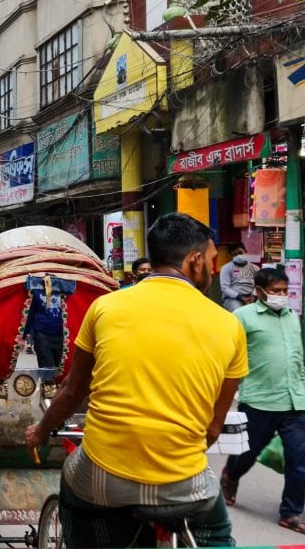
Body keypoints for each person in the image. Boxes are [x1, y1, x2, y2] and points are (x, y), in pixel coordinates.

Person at [25, 213, 247, 547]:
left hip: (103, 477)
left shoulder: (105, 308)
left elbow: (73, 392)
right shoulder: (229, 325)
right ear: (195, 261)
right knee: (217, 535)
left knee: (73, 483)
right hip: (185, 483)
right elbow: (213, 429)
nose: (214, 270)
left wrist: (41, 432)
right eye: (213, 261)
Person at [221, 268, 305, 534]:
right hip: (259, 400)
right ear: (259, 291)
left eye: (285, 291)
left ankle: (290, 512)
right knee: (247, 453)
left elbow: (297, 358)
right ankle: (231, 475)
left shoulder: (292, 317)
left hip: (295, 401)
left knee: (299, 458)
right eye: (276, 291)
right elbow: (228, 356)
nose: (282, 296)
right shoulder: (242, 318)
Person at [25, 287, 64, 369]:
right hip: (41, 334)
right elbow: (32, 313)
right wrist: (28, 333)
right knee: (47, 368)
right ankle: (46, 380)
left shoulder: (63, 291)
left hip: (59, 335)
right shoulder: (36, 292)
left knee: (57, 367)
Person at [220, 242, 259, 311]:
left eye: (240, 253)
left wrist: (254, 296)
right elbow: (224, 288)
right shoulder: (226, 268)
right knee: (239, 312)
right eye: (234, 254)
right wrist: (239, 297)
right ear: (231, 256)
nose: (238, 256)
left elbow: (259, 284)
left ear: (246, 252)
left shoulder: (255, 268)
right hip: (233, 298)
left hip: (253, 297)